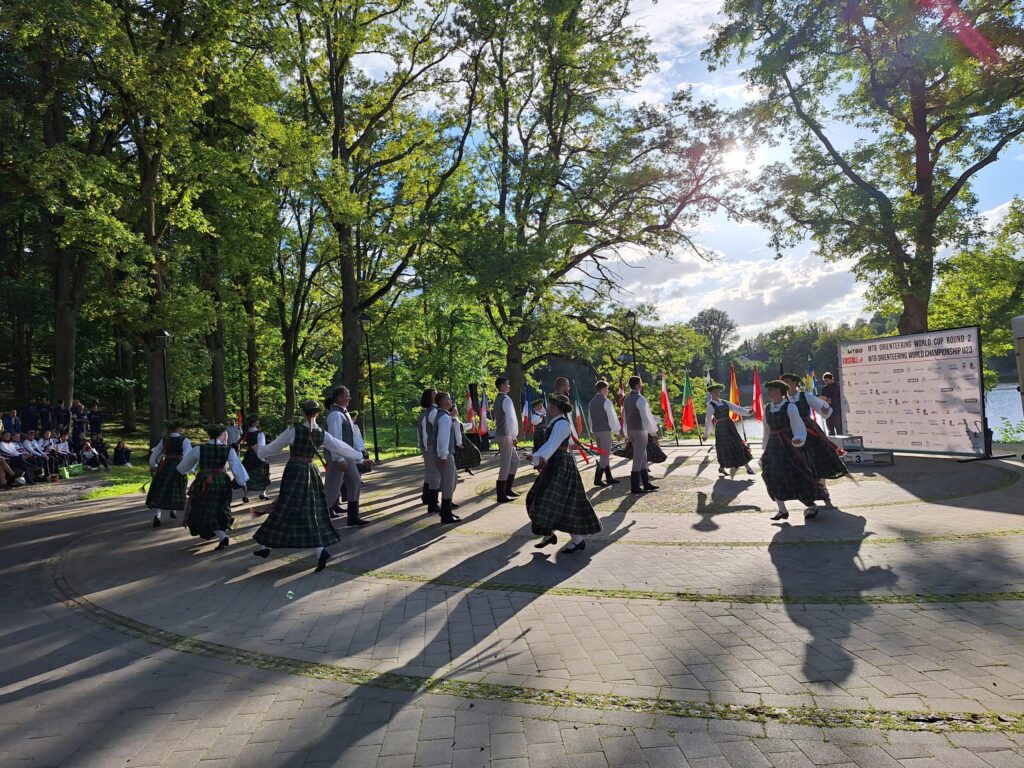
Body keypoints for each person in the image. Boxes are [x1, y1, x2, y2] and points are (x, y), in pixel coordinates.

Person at [251, 399, 370, 572]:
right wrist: (360, 457)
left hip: (294, 472)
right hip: (311, 472)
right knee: (307, 510)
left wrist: (258, 448)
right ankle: (268, 546)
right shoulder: (322, 433)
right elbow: (340, 447)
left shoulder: (293, 431)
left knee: (286, 507)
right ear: (318, 413)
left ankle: (312, 550)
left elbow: (270, 449)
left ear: (302, 412)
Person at [525, 394, 601, 553]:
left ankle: (574, 539)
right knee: (549, 499)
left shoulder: (561, 424)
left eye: (551, 405)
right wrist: (537, 457)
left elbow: (552, 445)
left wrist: (537, 458)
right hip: (556, 464)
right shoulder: (558, 423)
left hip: (560, 465)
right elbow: (554, 444)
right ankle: (552, 535)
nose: (548, 408)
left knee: (552, 500)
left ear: (557, 407)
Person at [760, 380, 827, 521]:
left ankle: (811, 505)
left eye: (772, 389)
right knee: (771, 474)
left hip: (788, 445)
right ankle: (782, 510)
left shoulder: (790, 406)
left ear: (780, 391)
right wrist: (765, 450)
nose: (769, 392)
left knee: (797, 475)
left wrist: (798, 438)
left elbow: (799, 426)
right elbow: (766, 431)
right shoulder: (767, 408)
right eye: (769, 389)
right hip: (773, 446)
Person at [780, 373, 848, 506]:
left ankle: (823, 486)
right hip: (793, 432)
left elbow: (822, 408)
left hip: (810, 430)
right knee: (800, 461)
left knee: (817, 457)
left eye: (787, 381)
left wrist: (824, 410)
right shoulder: (784, 400)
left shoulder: (805, 396)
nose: (785, 384)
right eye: (783, 382)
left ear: (795, 382)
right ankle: (808, 490)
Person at [177, 424, 248, 550]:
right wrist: (242, 482)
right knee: (220, 508)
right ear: (221, 435)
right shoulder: (228, 450)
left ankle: (222, 536)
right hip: (222, 482)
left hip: (204, 482)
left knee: (203, 509)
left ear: (208, 434)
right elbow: (236, 466)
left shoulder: (199, 449)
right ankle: (221, 535)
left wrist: (183, 470)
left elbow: (184, 467)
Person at [324, 386, 368, 527]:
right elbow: (335, 440)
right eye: (347, 395)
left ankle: (353, 517)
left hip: (347, 456)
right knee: (332, 489)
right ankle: (319, 520)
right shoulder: (335, 415)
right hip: (338, 458)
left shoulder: (344, 413)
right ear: (339, 397)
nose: (349, 397)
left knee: (355, 482)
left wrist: (358, 457)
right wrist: (339, 459)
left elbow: (352, 437)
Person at [146, 420, 192, 528]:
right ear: (178, 428)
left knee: (161, 490)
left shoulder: (165, 439)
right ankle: (173, 510)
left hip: (165, 467)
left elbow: (156, 452)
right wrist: (188, 468)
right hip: (178, 467)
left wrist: (153, 464)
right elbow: (188, 455)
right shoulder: (184, 440)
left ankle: (158, 515)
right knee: (175, 489)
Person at [703, 383, 756, 477]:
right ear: (711, 393)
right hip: (721, 429)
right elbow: (708, 421)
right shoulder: (710, 405)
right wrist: (706, 435)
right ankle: (722, 467)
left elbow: (736, 408)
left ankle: (748, 468)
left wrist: (747, 412)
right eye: (715, 392)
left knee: (738, 445)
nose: (717, 393)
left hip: (730, 426)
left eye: (718, 392)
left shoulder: (724, 402)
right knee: (724, 449)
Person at [622, 375, 660, 494]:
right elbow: (646, 417)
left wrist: (625, 433)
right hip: (640, 430)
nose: (641, 385)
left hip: (631, 430)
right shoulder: (640, 399)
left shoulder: (626, 399)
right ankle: (635, 486)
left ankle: (646, 483)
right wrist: (653, 432)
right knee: (638, 458)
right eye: (641, 383)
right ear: (638, 385)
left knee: (643, 456)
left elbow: (625, 418)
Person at [432, 391, 464, 524]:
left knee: (452, 480)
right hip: (445, 454)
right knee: (448, 483)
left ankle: (447, 511)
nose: (450, 401)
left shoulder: (443, 415)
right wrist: (444, 455)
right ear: (443, 402)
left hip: (444, 453)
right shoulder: (444, 418)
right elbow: (442, 438)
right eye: (448, 399)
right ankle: (446, 515)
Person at [587, 381, 623, 487]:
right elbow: (612, 418)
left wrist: (592, 431)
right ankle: (597, 479)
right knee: (605, 455)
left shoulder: (591, 403)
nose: (607, 391)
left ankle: (609, 478)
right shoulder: (606, 402)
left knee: (603, 455)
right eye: (606, 389)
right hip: (605, 431)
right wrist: (617, 432)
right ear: (602, 389)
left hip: (596, 431)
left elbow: (590, 419)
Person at [493, 377, 520, 503]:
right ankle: (501, 494)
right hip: (506, 435)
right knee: (505, 464)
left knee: (515, 461)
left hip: (503, 434)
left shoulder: (498, 399)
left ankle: (507, 489)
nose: (509, 386)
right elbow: (511, 419)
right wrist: (514, 436)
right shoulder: (506, 399)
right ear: (502, 386)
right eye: (507, 384)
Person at [416, 388, 440, 512]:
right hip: (429, 447)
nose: (437, 394)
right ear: (429, 398)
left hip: (427, 446)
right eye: (434, 394)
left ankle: (426, 497)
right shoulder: (432, 412)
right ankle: (432, 501)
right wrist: (426, 449)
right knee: (433, 473)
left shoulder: (428, 412)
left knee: (429, 472)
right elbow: (426, 433)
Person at [240, 415, 272, 503]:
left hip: (249, 455)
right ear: (254, 423)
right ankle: (263, 494)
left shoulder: (247, 432)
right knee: (264, 474)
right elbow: (261, 447)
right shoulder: (259, 433)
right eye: (257, 421)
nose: (258, 422)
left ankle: (245, 495)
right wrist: (263, 458)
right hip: (258, 455)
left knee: (247, 474)